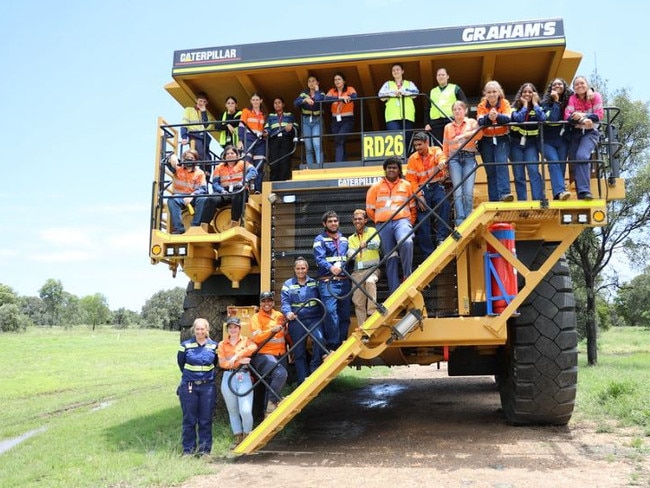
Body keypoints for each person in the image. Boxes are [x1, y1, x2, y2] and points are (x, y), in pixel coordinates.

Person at [366, 157, 417, 294]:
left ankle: (407, 275)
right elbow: (370, 210)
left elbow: (413, 208)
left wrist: (409, 222)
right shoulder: (375, 187)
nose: (391, 170)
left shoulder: (406, 185)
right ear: (385, 169)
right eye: (389, 167)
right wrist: (380, 220)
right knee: (391, 258)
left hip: (402, 222)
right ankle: (395, 293)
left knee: (406, 242)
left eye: (394, 167)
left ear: (399, 170)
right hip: (383, 226)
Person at [280, 257, 327, 385]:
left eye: (303, 268)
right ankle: (302, 381)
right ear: (294, 270)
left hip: (314, 319)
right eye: (298, 268)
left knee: (320, 339)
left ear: (307, 269)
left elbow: (323, 297)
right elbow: (285, 302)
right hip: (297, 321)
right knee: (299, 351)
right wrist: (288, 312)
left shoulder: (314, 282)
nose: (301, 271)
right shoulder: (287, 285)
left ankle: (314, 366)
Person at [177, 318, 218, 456]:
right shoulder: (185, 345)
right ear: (193, 330)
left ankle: (204, 450)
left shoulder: (214, 346)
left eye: (202, 329)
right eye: (197, 329)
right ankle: (188, 450)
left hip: (208, 387)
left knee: (205, 419)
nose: (200, 332)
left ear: (207, 330)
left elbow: (216, 363)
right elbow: (181, 363)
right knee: (189, 419)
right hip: (189, 386)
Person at [406, 132, 451, 255]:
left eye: (420, 144)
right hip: (422, 190)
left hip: (436, 186)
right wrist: (419, 196)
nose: (417, 148)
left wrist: (442, 162)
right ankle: (428, 254)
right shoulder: (412, 159)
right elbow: (411, 181)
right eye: (415, 145)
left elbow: (441, 157)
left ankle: (441, 238)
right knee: (422, 222)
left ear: (427, 143)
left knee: (445, 205)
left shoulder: (435, 150)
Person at [313, 210, 352, 351]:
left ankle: (342, 342)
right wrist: (331, 268)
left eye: (335, 221)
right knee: (330, 312)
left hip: (344, 282)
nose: (333, 223)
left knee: (345, 314)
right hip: (327, 282)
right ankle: (333, 345)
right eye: (330, 221)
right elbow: (319, 259)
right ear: (325, 224)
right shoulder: (319, 239)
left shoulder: (344, 239)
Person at [217, 316, 257, 447]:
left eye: (235, 327)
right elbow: (222, 363)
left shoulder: (246, 341)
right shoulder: (222, 344)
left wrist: (236, 356)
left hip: (243, 376)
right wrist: (239, 361)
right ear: (227, 329)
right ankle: (238, 437)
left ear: (239, 328)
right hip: (228, 377)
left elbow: (253, 347)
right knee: (233, 410)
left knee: (245, 410)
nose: (233, 329)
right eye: (230, 327)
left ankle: (248, 435)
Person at [443, 101, 482, 226]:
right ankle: (460, 220)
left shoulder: (472, 122)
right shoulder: (448, 127)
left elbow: (479, 134)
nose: (457, 111)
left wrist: (463, 135)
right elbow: (445, 146)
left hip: (469, 157)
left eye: (460, 109)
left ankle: (468, 217)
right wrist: (445, 160)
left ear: (465, 110)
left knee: (468, 191)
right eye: (455, 109)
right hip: (454, 159)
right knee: (458, 190)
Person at [564, 75, 603, 200]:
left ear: (587, 85)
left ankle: (585, 191)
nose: (580, 86)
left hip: (591, 132)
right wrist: (583, 119)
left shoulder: (595, 96)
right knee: (576, 161)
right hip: (575, 133)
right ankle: (581, 193)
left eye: (582, 83)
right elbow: (568, 117)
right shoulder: (572, 99)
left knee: (582, 156)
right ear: (574, 88)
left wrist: (582, 115)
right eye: (577, 84)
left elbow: (599, 115)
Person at [249, 291, 288, 417]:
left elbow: (285, 334)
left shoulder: (279, 315)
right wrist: (271, 330)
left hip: (281, 354)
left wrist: (291, 348)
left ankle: (267, 415)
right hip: (264, 355)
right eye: (264, 301)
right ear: (260, 303)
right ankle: (272, 404)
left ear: (273, 302)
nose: (267, 303)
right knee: (280, 374)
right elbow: (257, 338)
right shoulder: (256, 318)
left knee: (272, 384)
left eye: (269, 301)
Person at [202, 145, 257, 229]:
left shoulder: (243, 163)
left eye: (232, 153)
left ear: (237, 155)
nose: (230, 155)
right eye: (227, 154)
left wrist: (244, 180)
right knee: (211, 199)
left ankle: (234, 222)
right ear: (224, 156)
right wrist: (222, 190)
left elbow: (253, 171)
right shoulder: (219, 167)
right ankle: (204, 225)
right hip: (225, 192)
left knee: (237, 194)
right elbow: (215, 183)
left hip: (239, 190)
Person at [476, 80, 513, 202]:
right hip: (486, 141)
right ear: (485, 94)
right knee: (491, 170)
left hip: (502, 138)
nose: (491, 94)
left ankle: (505, 194)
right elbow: (480, 121)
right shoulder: (481, 105)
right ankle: (494, 200)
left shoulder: (505, 103)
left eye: (494, 91)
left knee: (501, 164)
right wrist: (489, 117)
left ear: (499, 92)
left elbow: (508, 119)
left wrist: (496, 116)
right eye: (489, 92)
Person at [510, 82, 546, 201]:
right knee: (519, 174)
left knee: (533, 171)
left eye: (530, 92)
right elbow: (519, 119)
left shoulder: (538, 107)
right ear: (521, 94)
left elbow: (542, 118)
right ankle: (522, 201)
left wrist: (535, 103)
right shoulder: (515, 106)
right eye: (525, 92)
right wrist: (525, 105)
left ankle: (538, 199)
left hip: (531, 144)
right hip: (515, 143)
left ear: (534, 94)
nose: (527, 94)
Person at [347, 209, 381, 327]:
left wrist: (366, 244)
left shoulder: (372, 231)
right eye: (355, 219)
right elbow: (351, 251)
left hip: (372, 269)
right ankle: (363, 328)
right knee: (358, 302)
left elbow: (376, 244)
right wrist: (351, 254)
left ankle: (372, 313)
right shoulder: (351, 238)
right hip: (357, 272)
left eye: (360, 219)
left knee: (370, 281)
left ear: (365, 220)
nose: (357, 221)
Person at [541, 78, 572, 200]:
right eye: (554, 84)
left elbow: (583, 95)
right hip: (546, 140)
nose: (557, 86)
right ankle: (560, 191)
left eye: (560, 84)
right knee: (553, 162)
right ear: (551, 88)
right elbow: (552, 119)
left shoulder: (571, 99)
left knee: (561, 166)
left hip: (562, 140)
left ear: (564, 86)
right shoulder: (544, 103)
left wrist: (591, 91)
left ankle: (558, 195)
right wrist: (556, 101)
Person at [378, 63, 419, 151]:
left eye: (397, 69)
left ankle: (407, 158)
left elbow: (416, 93)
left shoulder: (409, 83)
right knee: (395, 139)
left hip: (407, 115)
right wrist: (392, 92)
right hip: (392, 116)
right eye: (393, 70)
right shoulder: (388, 84)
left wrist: (403, 91)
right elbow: (381, 96)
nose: (395, 71)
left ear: (402, 71)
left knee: (408, 138)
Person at [166, 149, 207, 234]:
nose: (189, 159)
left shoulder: (200, 173)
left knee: (203, 199)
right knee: (171, 200)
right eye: (187, 157)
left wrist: (192, 195)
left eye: (191, 157)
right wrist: (172, 157)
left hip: (193, 197)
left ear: (195, 160)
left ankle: (195, 227)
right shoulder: (178, 169)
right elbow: (169, 163)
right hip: (180, 197)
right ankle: (178, 228)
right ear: (184, 158)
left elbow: (203, 188)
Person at [425, 68, 468, 147]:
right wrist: (427, 123)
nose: (441, 77)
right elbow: (427, 108)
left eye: (443, 75)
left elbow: (464, 103)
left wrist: (463, 118)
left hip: (450, 120)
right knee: (438, 145)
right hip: (435, 123)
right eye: (439, 75)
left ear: (447, 76)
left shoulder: (455, 88)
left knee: (452, 144)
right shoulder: (432, 91)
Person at [325, 72, 358, 162]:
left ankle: (338, 163)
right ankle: (343, 162)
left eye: (339, 79)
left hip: (347, 119)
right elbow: (326, 99)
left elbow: (355, 96)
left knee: (339, 138)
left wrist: (344, 99)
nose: (337, 81)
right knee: (339, 141)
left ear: (344, 81)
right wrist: (340, 98)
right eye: (335, 80)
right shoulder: (332, 91)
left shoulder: (349, 89)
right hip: (335, 120)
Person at [294, 75, 326, 168]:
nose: (311, 83)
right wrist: (305, 100)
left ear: (317, 83)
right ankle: (311, 168)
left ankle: (320, 167)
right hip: (306, 121)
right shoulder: (304, 93)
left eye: (313, 81)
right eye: (309, 81)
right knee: (308, 147)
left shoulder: (321, 92)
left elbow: (319, 100)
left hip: (317, 120)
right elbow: (295, 103)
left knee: (317, 144)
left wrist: (316, 91)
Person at [181, 92, 216, 175]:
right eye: (200, 101)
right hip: (194, 135)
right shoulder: (188, 110)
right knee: (201, 155)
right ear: (196, 100)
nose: (202, 103)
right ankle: (202, 173)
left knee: (208, 158)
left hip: (204, 137)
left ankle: (206, 176)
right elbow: (184, 123)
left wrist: (203, 112)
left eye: (204, 102)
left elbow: (206, 125)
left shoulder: (207, 114)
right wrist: (184, 137)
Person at [238, 93, 266, 192]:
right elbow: (241, 127)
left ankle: (257, 188)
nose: (255, 102)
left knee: (259, 164)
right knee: (247, 163)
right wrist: (240, 140)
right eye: (253, 100)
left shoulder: (263, 114)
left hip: (260, 141)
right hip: (248, 139)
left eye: (257, 100)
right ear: (250, 101)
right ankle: (246, 187)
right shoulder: (246, 111)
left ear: (261, 101)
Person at [264, 97, 297, 181]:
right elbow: (267, 128)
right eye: (275, 103)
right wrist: (266, 132)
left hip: (286, 140)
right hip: (274, 141)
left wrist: (291, 126)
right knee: (274, 163)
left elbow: (297, 126)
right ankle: (274, 185)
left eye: (279, 102)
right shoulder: (271, 116)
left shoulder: (289, 115)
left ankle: (284, 184)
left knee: (285, 163)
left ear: (283, 104)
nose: (277, 104)